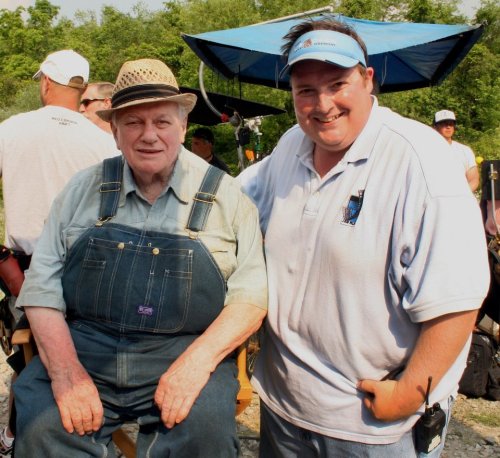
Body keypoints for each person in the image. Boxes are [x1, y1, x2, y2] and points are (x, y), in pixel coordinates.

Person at [238, 18, 490, 457]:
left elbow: (460, 298)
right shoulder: (289, 147)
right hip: (284, 408)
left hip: (372, 424)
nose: (323, 104)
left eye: (338, 83)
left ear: (367, 78)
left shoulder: (418, 160)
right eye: (305, 91)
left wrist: (411, 392)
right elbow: (232, 204)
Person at [13, 58, 267, 458]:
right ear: (115, 132)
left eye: (162, 122)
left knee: (205, 437)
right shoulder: (82, 190)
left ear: (182, 127)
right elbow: (41, 290)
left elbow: (251, 297)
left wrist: (197, 365)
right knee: (44, 429)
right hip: (85, 350)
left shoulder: (226, 197)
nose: (149, 135)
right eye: (133, 123)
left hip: (184, 352)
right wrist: (65, 374)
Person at [0, 49, 119, 456]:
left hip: (25, 270)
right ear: (81, 88)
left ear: (46, 82)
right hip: (92, 273)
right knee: (79, 356)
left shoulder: (12, 129)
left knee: (29, 358)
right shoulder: (102, 142)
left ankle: (23, 435)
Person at [433, 110, 479, 192]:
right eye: (444, 123)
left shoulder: (465, 150)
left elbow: (474, 179)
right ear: (435, 127)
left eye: (451, 123)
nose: (448, 126)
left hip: (462, 198)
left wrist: (462, 195)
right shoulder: (428, 150)